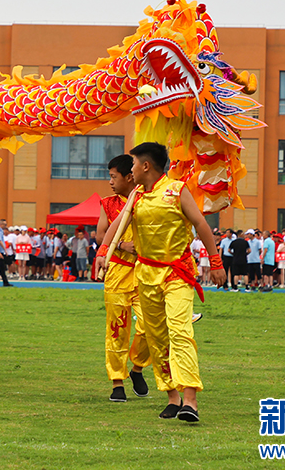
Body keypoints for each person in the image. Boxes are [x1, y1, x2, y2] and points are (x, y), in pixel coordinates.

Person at [97, 142, 225, 423]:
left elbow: (201, 225)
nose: (130, 170)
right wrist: (104, 252)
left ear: (145, 166)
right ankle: (172, 396)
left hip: (177, 273)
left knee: (180, 330)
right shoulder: (137, 197)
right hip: (145, 275)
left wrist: (215, 262)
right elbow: (117, 224)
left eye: (132, 165)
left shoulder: (177, 190)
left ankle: (190, 400)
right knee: (157, 337)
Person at [96, 154, 151, 402]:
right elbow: (100, 236)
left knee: (150, 325)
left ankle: (137, 367)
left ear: (130, 176)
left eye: (113, 177)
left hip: (144, 272)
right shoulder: (107, 204)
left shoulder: (148, 200)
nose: (110, 182)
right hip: (117, 273)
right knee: (117, 329)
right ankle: (117, 382)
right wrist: (121, 245)